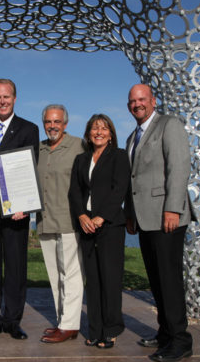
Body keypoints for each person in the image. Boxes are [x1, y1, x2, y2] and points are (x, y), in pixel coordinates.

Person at [125, 84, 195, 362]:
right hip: (144, 219)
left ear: (153, 101)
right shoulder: (133, 137)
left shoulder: (170, 125)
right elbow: (133, 181)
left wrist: (173, 208)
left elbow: (179, 167)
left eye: (142, 99)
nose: (137, 104)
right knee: (156, 280)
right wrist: (129, 213)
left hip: (167, 216)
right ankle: (165, 333)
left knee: (169, 280)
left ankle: (181, 341)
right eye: (132, 101)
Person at [0, 78, 39, 341]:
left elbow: (31, 166)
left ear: (15, 98)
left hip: (16, 210)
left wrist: (25, 205)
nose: (2, 101)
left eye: (7, 96)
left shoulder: (29, 128)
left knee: (15, 267)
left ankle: (13, 321)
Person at [68, 114, 129, 349]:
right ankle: (95, 330)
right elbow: (74, 191)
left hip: (110, 226)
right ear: (88, 133)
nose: (99, 132)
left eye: (104, 128)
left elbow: (119, 189)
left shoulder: (119, 156)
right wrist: (82, 215)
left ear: (111, 133)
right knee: (92, 281)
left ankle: (111, 330)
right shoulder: (81, 160)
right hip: (86, 226)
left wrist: (101, 217)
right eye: (95, 128)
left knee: (110, 280)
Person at [36, 104, 85, 343]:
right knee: (55, 277)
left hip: (69, 221)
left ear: (65, 124)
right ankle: (62, 321)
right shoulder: (39, 149)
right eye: (48, 122)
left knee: (71, 275)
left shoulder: (79, 146)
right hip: (44, 221)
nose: (52, 126)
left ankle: (70, 325)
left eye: (56, 122)